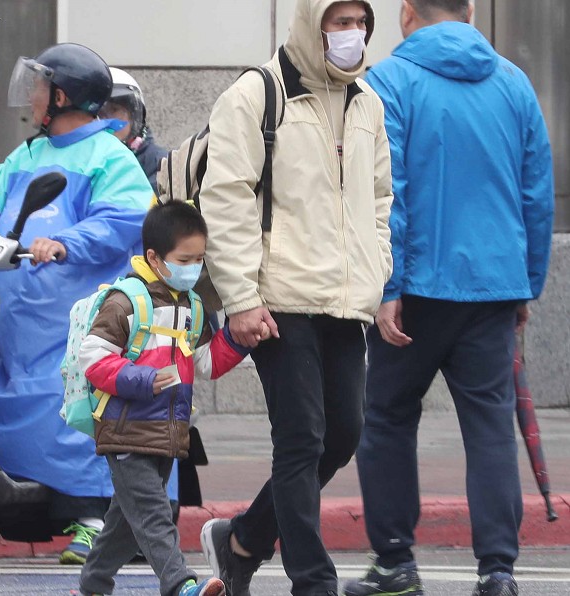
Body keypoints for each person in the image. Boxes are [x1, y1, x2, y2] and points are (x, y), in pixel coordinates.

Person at [343, 1, 554, 595]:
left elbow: (390, 192)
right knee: (490, 425)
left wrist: (387, 288)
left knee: (385, 418)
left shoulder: (387, 81)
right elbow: (535, 193)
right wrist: (525, 284)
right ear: (467, 11)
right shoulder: (514, 82)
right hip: (492, 287)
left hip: (415, 290)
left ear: (407, 12)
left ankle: (395, 563)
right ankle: (497, 572)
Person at [196, 1, 394, 594]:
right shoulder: (258, 94)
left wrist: (376, 271)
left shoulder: (368, 102)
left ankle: (243, 541)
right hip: (278, 297)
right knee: (302, 435)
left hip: (345, 298)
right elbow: (226, 199)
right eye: (340, 22)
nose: (352, 35)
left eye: (361, 23)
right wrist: (240, 298)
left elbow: (380, 198)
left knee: (343, 435)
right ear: (313, 24)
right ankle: (313, 580)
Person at [0, 43, 154, 565]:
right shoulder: (27, 154)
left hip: (70, 325)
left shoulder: (108, 156)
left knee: (72, 408)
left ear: (62, 95)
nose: (28, 96)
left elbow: (126, 218)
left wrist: (68, 241)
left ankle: (93, 518)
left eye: (37, 85)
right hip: (12, 325)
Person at [77, 202, 256, 596]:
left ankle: (92, 586)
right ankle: (180, 585)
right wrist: (144, 380)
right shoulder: (126, 301)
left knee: (126, 522)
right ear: (155, 258)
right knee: (155, 515)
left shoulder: (192, 305)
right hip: (126, 429)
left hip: (167, 431)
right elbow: (92, 358)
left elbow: (205, 362)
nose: (193, 267)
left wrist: (240, 339)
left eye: (199, 259)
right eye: (184, 259)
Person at [99, 67, 167, 193]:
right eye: (99, 113)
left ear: (133, 115)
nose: (105, 120)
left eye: (114, 110)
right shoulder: (83, 159)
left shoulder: (160, 164)